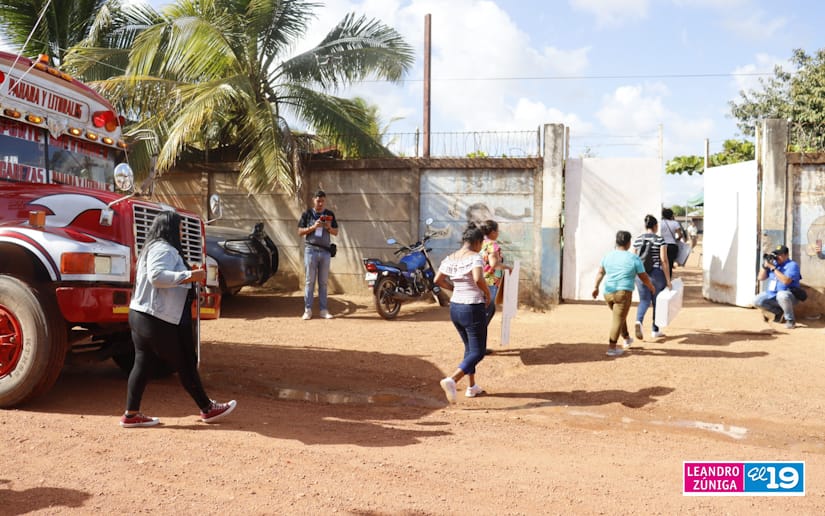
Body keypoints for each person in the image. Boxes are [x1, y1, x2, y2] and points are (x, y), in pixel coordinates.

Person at [121, 211, 237, 428]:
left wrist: (186, 276)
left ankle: (131, 414)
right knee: (184, 362)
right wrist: (189, 276)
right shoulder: (163, 248)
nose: (182, 232)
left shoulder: (151, 248)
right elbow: (157, 277)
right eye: (180, 228)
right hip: (156, 317)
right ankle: (207, 408)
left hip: (141, 314)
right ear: (170, 228)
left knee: (142, 363)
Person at [434, 225, 492, 402]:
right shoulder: (475, 257)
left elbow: (437, 280)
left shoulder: (450, 258)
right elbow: (478, 278)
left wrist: (454, 288)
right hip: (472, 306)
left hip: (455, 307)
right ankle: (452, 379)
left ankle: (472, 387)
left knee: (469, 348)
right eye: (481, 244)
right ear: (477, 242)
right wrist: (487, 293)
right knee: (478, 351)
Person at [592, 230, 655, 357]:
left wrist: (596, 287)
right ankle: (612, 348)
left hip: (608, 292)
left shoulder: (608, 256)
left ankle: (626, 338)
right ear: (628, 243)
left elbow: (600, 272)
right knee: (618, 318)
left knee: (619, 316)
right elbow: (643, 276)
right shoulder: (633, 258)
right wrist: (651, 286)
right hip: (623, 293)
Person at [298, 190, 339, 320]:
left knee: (323, 282)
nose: (320, 203)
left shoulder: (329, 214)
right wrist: (313, 227)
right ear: (313, 200)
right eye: (318, 201)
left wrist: (328, 227)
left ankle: (323, 310)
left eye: (322, 201)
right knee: (309, 281)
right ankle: (308, 310)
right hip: (311, 250)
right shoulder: (307, 214)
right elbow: (300, 232)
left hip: (325, 252)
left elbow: (336, 232)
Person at [632, 215, 671, 340]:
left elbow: (633, 259)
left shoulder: (638, 240)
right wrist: (668, 280)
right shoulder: (660, 240)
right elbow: (664, 260)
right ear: (655, 226)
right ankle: (655, 330)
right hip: (656, 274)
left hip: (641, 275)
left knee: (644, 301)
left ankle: (639, 321)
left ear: (645, 226)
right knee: (657, 302)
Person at [754, 244, 802, 329]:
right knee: (757, 300)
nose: (777, 257)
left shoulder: (792, 265)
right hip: (772, 294)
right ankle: (778, 312)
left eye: (780, 255)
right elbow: (760, 278)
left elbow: (786, 281)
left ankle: (790, 320)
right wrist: (764, 266)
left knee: (782, 295)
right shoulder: (774, 264)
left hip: (790, 295)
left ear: (786, 255)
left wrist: (773, 268)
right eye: (776, 254)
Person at [479, 219, 512, 327]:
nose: (498, 233)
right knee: (488, 309)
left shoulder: (480, 243)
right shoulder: (492, 244)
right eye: (497, 231)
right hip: (490, 281)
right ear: (493, 232)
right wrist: (508, 268)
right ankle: (479, 333)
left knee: (485, 308)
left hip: (480, 278)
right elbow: (494, 264)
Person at [660, 208, 684, 279]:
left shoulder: (660, 223)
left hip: (662, 246)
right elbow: (680, 235)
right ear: (671, 215)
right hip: (672, 246)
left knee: (661, 263)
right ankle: (668, 280)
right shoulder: (675, 223)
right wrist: (676, 240)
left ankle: (662, 280)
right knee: (670, 264)